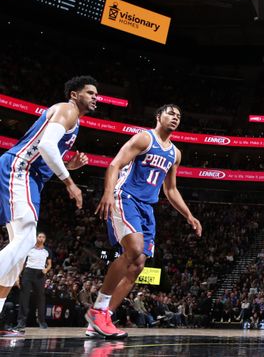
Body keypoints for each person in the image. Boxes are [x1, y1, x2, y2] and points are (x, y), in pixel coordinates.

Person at [85, 104, 202, 338]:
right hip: (126, 197)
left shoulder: (175, 153)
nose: (175, 118)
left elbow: (170, 190)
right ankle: (97, 310)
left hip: (147, 207)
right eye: (171, 113)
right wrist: (107, 192)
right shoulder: (143, 139)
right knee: (134, 249)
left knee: (138, 266)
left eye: (179, 116)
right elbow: (114, 164)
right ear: (158, 116)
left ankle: (101, 318)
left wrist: (189, 215)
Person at [0, 75, 94, 336]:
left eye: (97, 94)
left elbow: (48, 154)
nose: (95, 97)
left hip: (29, 175)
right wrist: (70, 182)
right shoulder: (67, 110)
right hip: (20, 170)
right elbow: (46, 146)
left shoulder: (72, 121)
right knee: (29, 237)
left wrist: (69, 164)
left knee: (17, 256)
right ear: (74, 94)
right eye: (90, 92)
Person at [14, 232, 51, 332]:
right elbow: (22, 263)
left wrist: (46, 269)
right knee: (24, 297)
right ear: (36, 238)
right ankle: (21, 322)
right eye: (39, 236)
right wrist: (18, 276)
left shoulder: (47, 251)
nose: (41, 238)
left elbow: (49, 264)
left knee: (40, 298)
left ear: (45, 239)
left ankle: (41, 321)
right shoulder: (29, 249)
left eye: (43, 237)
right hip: (28, 272)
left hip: (40, 274)